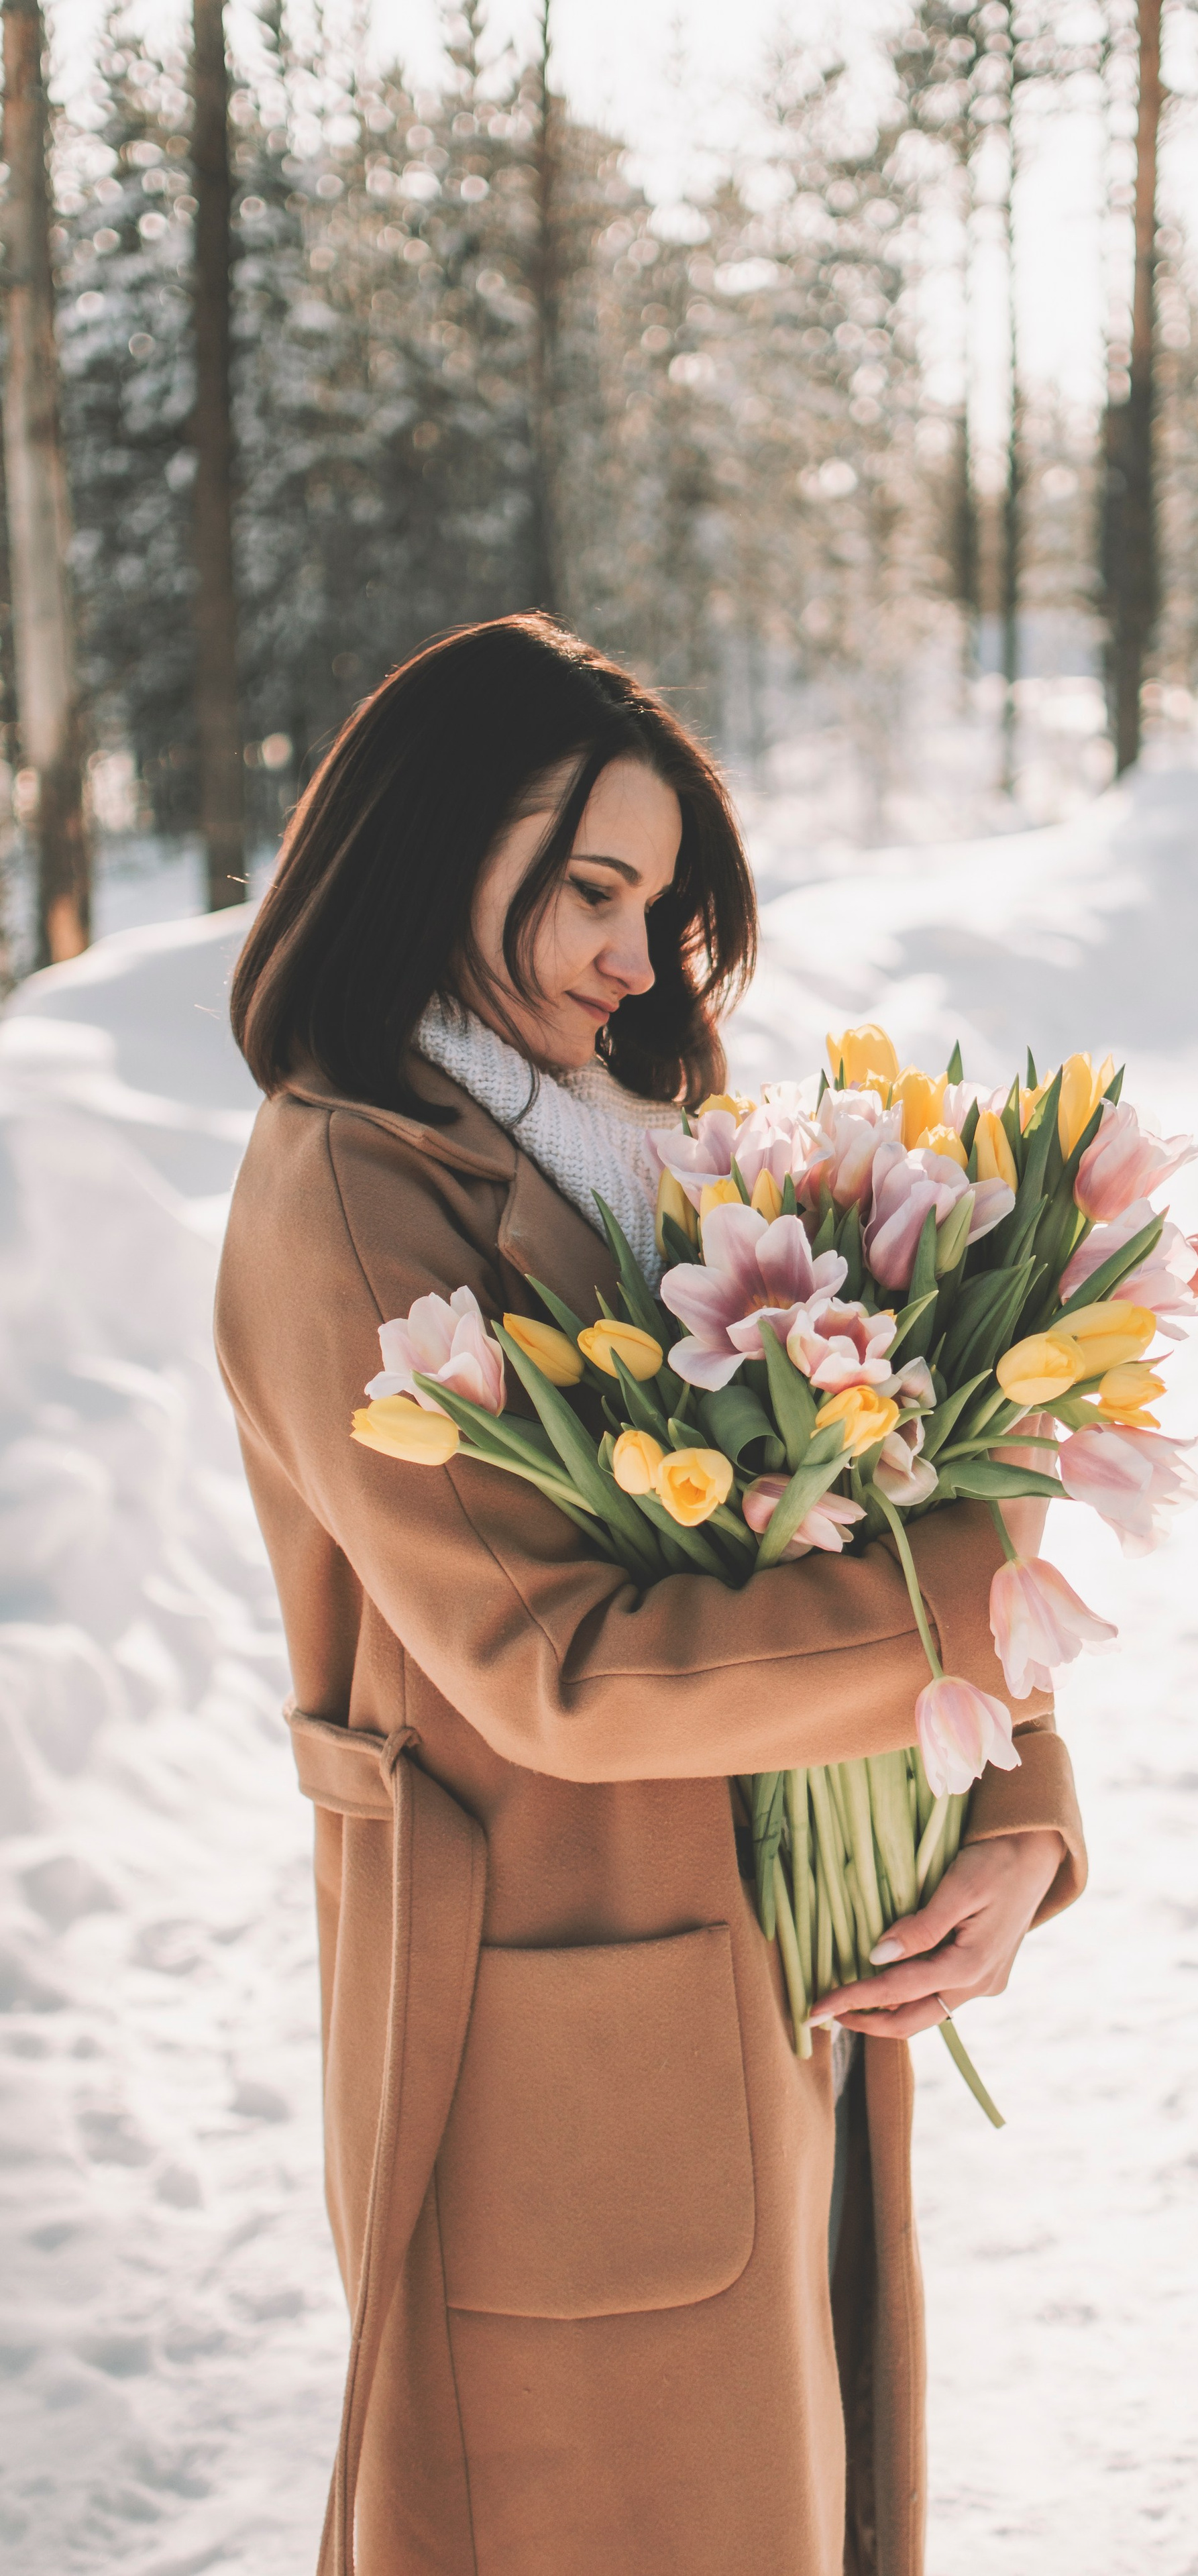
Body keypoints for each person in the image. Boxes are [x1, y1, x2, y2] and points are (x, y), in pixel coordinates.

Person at [215, 612, 1086, 2576]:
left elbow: (865, 1516)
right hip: (543, 2017)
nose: (637, 954)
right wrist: (979, 1599)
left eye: (661, 902)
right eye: (592, 887)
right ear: (433, 846)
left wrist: (1016, 1807)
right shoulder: (353, 1191)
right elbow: (565, 1672)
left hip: (777, 1961)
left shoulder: (650, 1164)